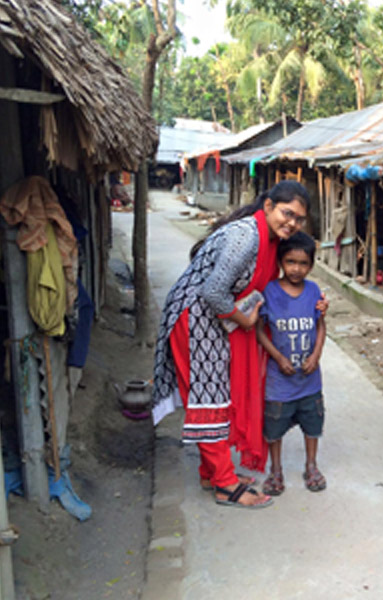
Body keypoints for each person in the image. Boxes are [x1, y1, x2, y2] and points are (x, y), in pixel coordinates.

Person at [151, 181, 312, 509]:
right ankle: (225, 485)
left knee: (217, 395)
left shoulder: (267, 237)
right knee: (209, 398)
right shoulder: (246, 236)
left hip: (212, 318)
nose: (292, 223)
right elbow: (213, 292)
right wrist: (245, 321)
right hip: (195, 317)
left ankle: (213, 472)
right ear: (267, 206)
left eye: (299, 219)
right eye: (287, 213)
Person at [256, 232, 327, 495]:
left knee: (313, 426)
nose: (296, 269)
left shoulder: (314, 291)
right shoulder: (270, 292)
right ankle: (276, 470)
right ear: (280, 262)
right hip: (279, 382)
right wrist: (278, 356)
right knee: (273, 429)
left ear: (311, 264)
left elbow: (321, 326)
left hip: (309, 380)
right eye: (290, 262)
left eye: (303, 263)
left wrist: (316, 354)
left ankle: (311, 465)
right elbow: (260, 331)